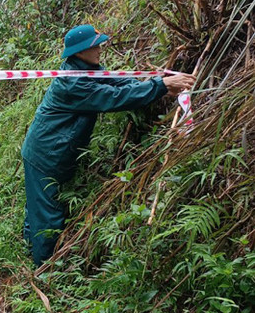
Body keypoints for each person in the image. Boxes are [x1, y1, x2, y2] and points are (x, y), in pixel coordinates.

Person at [21, 24, 196, 267]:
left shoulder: (86, 70)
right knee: (48, 216)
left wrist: (157, 85)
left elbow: (118, 85)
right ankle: (43, 269)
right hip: (45, 155)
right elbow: (114, 98)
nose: (100, 48)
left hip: (52, 152)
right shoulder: (74, 84)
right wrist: (160, 86)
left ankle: (29, 248)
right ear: (80, 51)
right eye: (94, 45)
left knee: (40, 207)